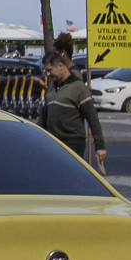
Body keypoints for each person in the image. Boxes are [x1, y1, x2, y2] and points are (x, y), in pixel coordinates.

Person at [39, 41, 107, 172]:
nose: (47, 74)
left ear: (60, 66)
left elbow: (92, 118)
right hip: (52, 141)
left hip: (73, 142)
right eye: (45, 71)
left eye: (49, 70)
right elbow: (44, 116)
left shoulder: (79, 88)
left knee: (68, 176)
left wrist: (100, 146)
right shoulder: (52, 87)